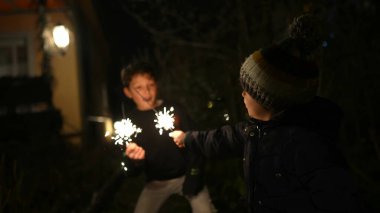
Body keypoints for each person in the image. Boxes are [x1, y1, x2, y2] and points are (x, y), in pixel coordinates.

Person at [169, 14, 369, 213]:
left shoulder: (308, 146)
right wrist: (187, 138)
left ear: (268, 100)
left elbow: (341, 199)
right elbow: (220, 140)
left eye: (248, 90)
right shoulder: (254, 131)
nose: (242, 94)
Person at [120, 61, 215, 213]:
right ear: (128, 92)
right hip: (155, 183)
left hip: (186, 175)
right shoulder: (129, 123)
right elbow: (130, 170)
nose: (146, 92)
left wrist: (193, 177)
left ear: (156, 85)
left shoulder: (174, 109)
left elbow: (197, 145)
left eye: (150, 85)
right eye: (139, 88)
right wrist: (134, 162)